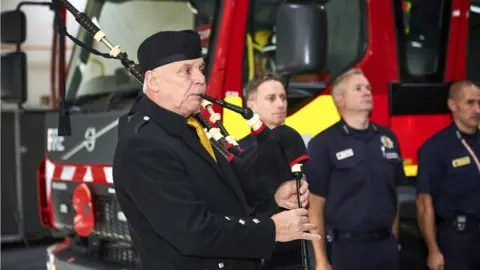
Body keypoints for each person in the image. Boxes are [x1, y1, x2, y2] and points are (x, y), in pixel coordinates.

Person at [111, 30, 320, 270]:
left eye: (200, 68)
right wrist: (272, 230)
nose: (200, 79)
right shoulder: (144, 145)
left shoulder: (191, 126)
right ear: (153, 81)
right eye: (186, 70)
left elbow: (223, 204)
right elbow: (192, 231)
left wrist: (274, 201)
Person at [305, 68, 406, 270]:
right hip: (347, 249)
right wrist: (321, 260)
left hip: (385, 246)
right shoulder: (324, 143)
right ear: (339, 99)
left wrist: (393, 239)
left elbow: (394, 195)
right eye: (358, 88)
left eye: (368, 88)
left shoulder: (387, 138)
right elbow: (314, 208)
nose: (367, 92)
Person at [237, 73, 302, 270]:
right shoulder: (238, 152)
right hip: (260, 255)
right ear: (252, 105)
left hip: (298, 254)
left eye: (283, 97)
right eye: (271, 98)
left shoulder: (297, 146)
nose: (280, 104)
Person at [416, 80, 480, 270]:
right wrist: (433, 250)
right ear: (452, 105)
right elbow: (424, 203)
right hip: (457, 240)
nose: (477, 109)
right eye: (470, 103)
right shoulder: (435, 148)